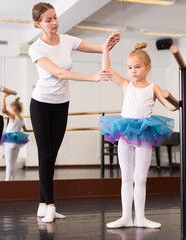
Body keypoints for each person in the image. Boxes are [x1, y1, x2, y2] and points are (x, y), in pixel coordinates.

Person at [29, 2, 119, 223]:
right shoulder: (36, 48)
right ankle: (50, 205)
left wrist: (106, 45)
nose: (54, 22)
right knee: (45, 155)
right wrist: (92, 78)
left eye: (55, 17)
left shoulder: (67, 40)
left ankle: (42, 204)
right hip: (41, 104)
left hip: (62, 104)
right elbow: (59, 72)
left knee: (52, 156)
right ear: (38, 24)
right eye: (48, 20)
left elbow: (98, 48)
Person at [98, 36, 176, 229]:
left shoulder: (152, 87)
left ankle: (140, 217)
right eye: (130, 67)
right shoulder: (127, 85)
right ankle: (126, 217)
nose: (133, 71)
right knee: (126, 177)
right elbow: (107, 71)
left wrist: (174, 100)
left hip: (144, 134)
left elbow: (170, 107)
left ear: (147, 68)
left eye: (137, 67)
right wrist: (105, 49)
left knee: (140, 178)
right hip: (125, 133)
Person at [0, 94, 31, 181]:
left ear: (13, 109)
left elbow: (3, 110)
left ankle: (7, 180)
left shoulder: (13, 116)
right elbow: (25, 129)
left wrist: (3, 97)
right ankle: (13, 179)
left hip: (9, 141)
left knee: (8, 162)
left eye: (11, 109)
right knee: (14, 162)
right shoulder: (21, 119)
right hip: (17, 142)